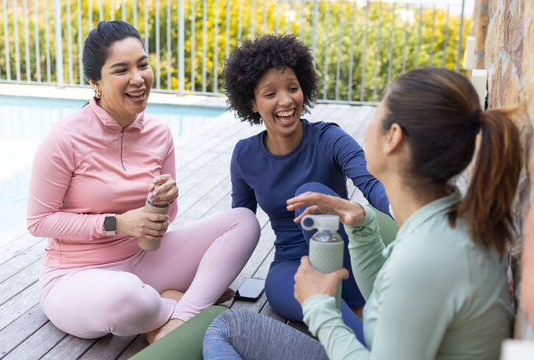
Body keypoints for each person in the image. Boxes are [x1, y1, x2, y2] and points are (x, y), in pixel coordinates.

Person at [203, 67, 519, 359]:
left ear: (392, 137)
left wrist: (319, 308)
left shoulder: (424, 257)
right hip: (309, 278)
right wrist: (363, 223)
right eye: (270, 93)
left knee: (224, 329)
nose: (285, 100)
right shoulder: (453, 220)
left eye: (376, 110)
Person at [27, 21, 260, 344]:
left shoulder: (159, 133)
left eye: (143, 65)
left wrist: (167, 200)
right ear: (95, 81)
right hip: (76, 276)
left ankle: (179, 317)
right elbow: (39, 222)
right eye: (122, 70)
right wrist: (118, 223)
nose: (138, 79)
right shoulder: (65, 137)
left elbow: (164, 220)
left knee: (243, 222)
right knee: (129, 299)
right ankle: (182, 303)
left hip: (145, 260)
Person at [222, 33, 390, 336]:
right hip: (291, 265)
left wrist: (408, 211)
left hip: (348, 257)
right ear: (252, 102)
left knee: (308, 195)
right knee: (323, 303)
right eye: (270, 93)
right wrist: (216, 282)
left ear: (304, 89)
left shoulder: (329, 138)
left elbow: (372, 181)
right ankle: (370, 345)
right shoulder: (244, 155)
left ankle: (360, 306)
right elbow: (240, 223)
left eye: (292, 88)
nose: (286, 101)